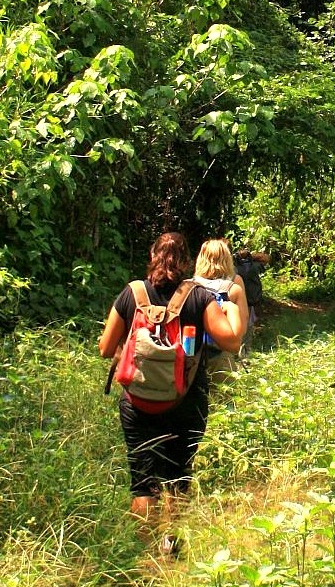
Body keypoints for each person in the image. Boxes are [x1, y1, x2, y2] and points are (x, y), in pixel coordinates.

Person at [98, 231, 247, 551]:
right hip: (186, 401)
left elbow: (105, 347)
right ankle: (171, 546)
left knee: (143, 482)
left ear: (152, 255)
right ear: (184, 261)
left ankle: (143, 554)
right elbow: (231, 342)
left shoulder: (132, 293)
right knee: (178, 476)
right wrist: (234, 304)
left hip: (137, 405)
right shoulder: (197, 297)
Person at [192, 238, 248, 388]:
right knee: (225, 402)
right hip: (221, 355)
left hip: (190, 356)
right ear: (227, 259)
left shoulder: (187, 287)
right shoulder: (233, 289)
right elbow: (241, 330)